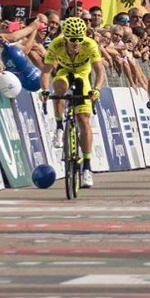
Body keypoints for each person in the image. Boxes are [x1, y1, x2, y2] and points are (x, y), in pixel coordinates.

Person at [41, 16, 106, 188]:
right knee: (58, 85)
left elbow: (100, 71)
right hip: (65, 71)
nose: (76, 44)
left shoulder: (89, 44)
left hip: (83, 74)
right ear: (65, 38)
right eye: (72, 41)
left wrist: (96, 89)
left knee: (84, 119)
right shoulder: (56, 44)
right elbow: (46, 71)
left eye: (79, 40)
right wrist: (45, 90)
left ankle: (86, 167)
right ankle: (59, 126)